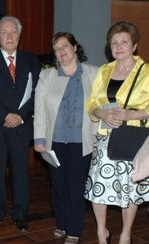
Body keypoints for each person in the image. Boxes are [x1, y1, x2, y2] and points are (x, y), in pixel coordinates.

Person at [85, 21, 149, 244]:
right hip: (105, 137)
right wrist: (102, 114)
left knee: (129, 190)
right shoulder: (104, 71)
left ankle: (125, 235)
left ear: (134, 46)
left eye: (124, 42)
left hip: (132, 139)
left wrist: (130, 115)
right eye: (114, 42)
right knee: (97, 187)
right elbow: (92, 103)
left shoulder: (146, 72)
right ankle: (101, 233)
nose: (119, 46)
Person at [0, 16, 40, 232]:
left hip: (22, 126)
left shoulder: (32, 60)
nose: (9, 36)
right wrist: (6, 116)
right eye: (5, 32)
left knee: (21, 173)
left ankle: (21, 213)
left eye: (13, 32)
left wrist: (20, 115)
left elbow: (37, 93)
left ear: (19, 35)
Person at [33, 32, 98, 243]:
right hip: (55, 141)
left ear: (75, 47)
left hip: (82, 142)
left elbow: (101, 107)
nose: (61, 51)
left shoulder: (93, 73)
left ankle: (74, 229)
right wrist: (39, 139)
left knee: (75, 185)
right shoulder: (47, 76)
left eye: (64, 46)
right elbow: (40, 110)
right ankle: (61, 223)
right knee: (58, 185)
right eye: (57, 49)